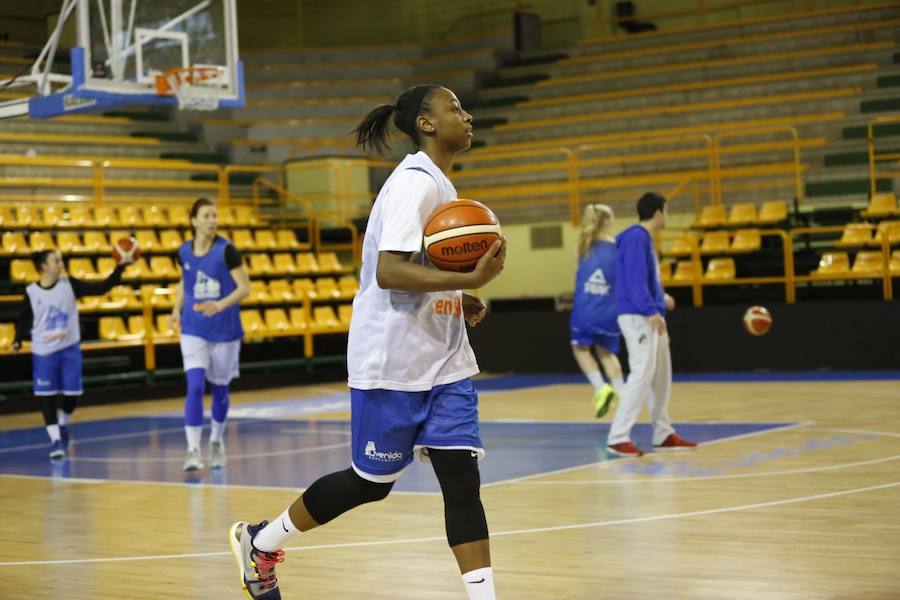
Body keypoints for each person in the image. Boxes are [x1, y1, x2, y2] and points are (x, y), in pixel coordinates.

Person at [229, 84, 506, 600]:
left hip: (444, 361)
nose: (467, 116)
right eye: (455, 109)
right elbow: (389, 271)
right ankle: (261, 543)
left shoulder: (441, 186)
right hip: (392, 362)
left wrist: (457, 299)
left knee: (462, 482)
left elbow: (420, 269)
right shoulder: (413, 184)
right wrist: (464, 283)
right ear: (426, 123)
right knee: (371, 485)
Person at [12, 246, 135, 459]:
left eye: (61, 260)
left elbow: (101, 289)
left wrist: (119, 269)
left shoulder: (70, 285)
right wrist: (17, 339)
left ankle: (63, 424)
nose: (61, 265)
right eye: (56, 261)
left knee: (73, 394)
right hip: (44, 351)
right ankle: (56, 441)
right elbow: (23, 318)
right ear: (44, 266)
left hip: (69, 348)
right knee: (47, 396)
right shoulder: (32, 292)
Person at [606, 192, 697, 458]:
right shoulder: (636, 236)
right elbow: (635, 281)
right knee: (642, 374)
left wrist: (660, 298)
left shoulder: (642, 238)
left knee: (660, 376)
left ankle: (663, 433)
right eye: (666, 211)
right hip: (638, 316)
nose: (666, 216)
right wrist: (650, 309)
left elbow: (645, 279)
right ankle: (618, 436)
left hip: (648, 313)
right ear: (658, 212)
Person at [170, 197, 250, 471]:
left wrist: (220, 305)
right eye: (206, 216)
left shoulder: (228, 251)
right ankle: (192, 450)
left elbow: (244, 288)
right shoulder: (183, 252)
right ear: (193, 220)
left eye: (214, 215)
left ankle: (216, 440)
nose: (212, 220)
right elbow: (185, 280)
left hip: (225, 330)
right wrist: (174, 308)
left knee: (220, 390)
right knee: (194, 385)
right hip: (193, 327)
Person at [570, 203, 624, 418]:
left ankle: (601, 388)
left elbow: (577, 275)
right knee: (606, 353)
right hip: (609, 309)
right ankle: (622, 394)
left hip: (585, 308)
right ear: (608, 221)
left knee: (581, 350)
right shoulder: (618, 248)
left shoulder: (583, 244)